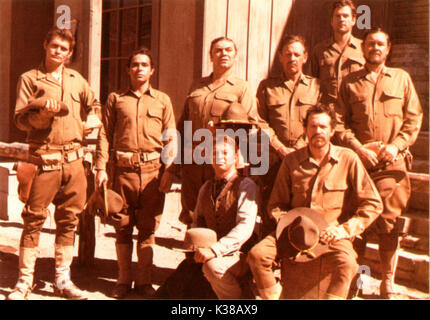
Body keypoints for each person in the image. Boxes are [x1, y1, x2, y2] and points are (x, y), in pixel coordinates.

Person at [247, 104, 383, 299]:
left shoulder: (348, 159)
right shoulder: (291, 161)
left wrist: (345, 229)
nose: (318, 131)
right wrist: (289, 225)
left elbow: (373, 203)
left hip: (331, 233)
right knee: (257, 255)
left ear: (332, 130)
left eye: (323, 127)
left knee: (348, 264)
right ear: (305, 130)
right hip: (294, 231)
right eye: (313, 126)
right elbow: (276, 204)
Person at [8, 27, 101, 300]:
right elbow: (19, 119)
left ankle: (63, 279)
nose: (58, 51)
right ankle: (24, 282)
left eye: (64, 48)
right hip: (44, 159)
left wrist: (91, 120)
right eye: (54, 46)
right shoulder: (29, 79)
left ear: (69, 53)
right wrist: (43, 116)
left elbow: (94, 104)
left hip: (73, 161)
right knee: (34, 220)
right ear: (45, 45)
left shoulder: (76, 79)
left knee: (68, 221)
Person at [335, 28, 423, 298]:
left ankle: (387, 281)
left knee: (387, 217)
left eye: (380, 44)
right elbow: (339, 124)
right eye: (370, 43)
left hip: (391, 163)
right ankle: (354, 278)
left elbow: (413, 119)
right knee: (356, 215)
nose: (375, 48)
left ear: (388, 49)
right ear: (363, 49)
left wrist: (395, 147)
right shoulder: (349, 83)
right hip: (358, 163)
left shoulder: (401, 79)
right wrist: (359, 149)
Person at [95, 47, 177, 299]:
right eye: (135, 65)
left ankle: (144, 281)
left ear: (152, 70)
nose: (139, 68)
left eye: (144, 65)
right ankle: (123, 279)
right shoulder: (116, 99)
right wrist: (101, 167)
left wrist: (169, 170)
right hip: (123, 172)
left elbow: (171, 137)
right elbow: (105, 134)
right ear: (128, 69)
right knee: (122, 227)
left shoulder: (162, 100)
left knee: (148, 228)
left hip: (153, 173)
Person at [177, 36, 285, 227]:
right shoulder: (197, 86)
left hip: (220, 161)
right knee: (193, 213)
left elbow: (253, 124)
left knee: (219, 211)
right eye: (218, 50)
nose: (223, 54)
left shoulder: (241, 88)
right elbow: (183, 126)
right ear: (210, 56)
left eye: (228, 50)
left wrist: (274, 150)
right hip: (194, 162)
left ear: (235, 56)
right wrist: (175, 165)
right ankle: (194, 252)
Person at [257, 35, 321, 233]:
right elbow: (259, 121)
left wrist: (301, 145)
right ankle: (269, 251)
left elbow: (319, 118)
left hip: (305, 157)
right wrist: (279, 147)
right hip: (274, 158)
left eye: (297, 54)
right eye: (288, 54)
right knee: (272, 207)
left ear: (305, 57)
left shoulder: (316, 86)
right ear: (280, 57)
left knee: (302, 204)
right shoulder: (267, 87)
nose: (292, 58)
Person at [192, 135, 259, 299]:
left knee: (213, 267)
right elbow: (197, 222)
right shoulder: (206, 188)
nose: (219, 157)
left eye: (224, 152)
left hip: (240, 254)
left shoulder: (245, 186)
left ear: (235, 157)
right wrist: (197, 247)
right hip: (210, 251)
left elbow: (245, 228)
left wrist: (214, 250)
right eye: (214, 153)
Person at [311, 0, 365, 105]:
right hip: (329, 112)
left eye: (345, 16)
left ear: (353, 20)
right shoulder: (319, 50)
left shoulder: (363, 48)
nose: (342, 19)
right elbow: (312, 85)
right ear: (331, 21)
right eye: (338, 16)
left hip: (356, 111)